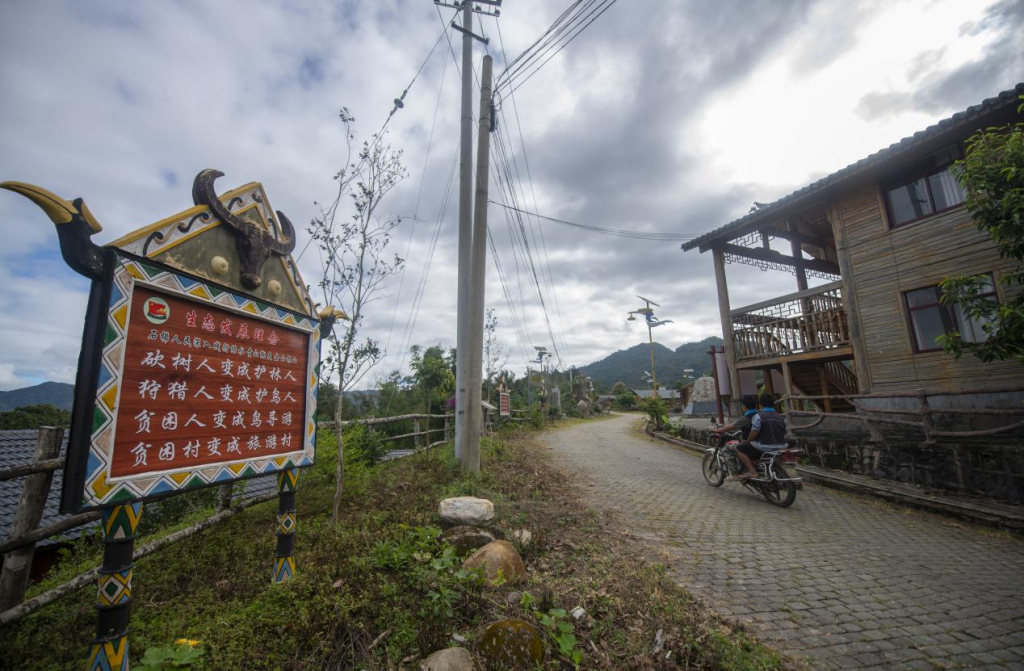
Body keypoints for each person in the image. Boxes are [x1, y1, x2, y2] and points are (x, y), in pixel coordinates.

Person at [731, 392, 788, 481]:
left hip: (764, 446)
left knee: (739, 448)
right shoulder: (781, 418)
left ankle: (752, 471)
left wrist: (748, 441)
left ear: (760, 404)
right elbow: (784, 431)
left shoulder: (758, 416)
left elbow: (754, 432)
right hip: (781, 446)